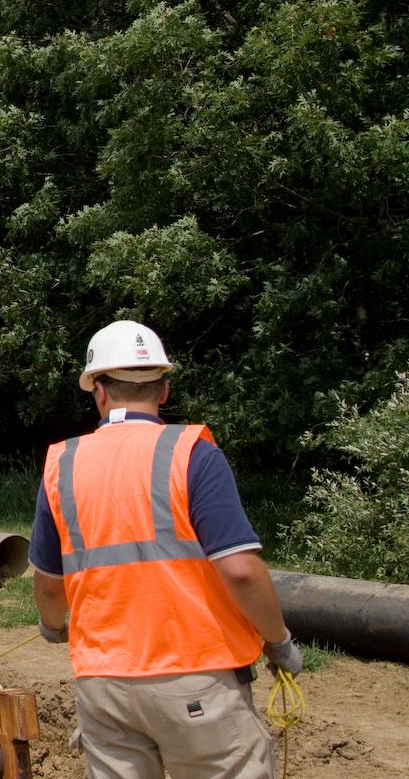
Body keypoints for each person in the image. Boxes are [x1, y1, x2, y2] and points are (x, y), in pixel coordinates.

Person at [30, 320, 303, 779]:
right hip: (198, 678)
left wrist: (53, 626)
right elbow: (239, 570)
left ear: (99, 390)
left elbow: (49, 585)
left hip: (104, 683)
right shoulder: (193, 452)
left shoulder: (64, 463)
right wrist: (278, 643)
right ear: (164, 389)